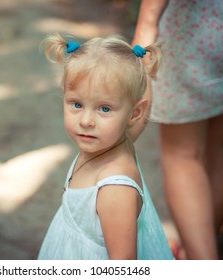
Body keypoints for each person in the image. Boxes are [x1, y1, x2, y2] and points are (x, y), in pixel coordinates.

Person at [132, 0, 223, 259]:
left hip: (192, 32)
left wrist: (147, 23)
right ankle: (197, 249)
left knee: (182, 153)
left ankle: (201, 262)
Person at [37, 33, 174, 260]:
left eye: (105, 109)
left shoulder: (115, 189)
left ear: (134, 113)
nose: (86, 121)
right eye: (77, 104)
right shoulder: (114, 140)